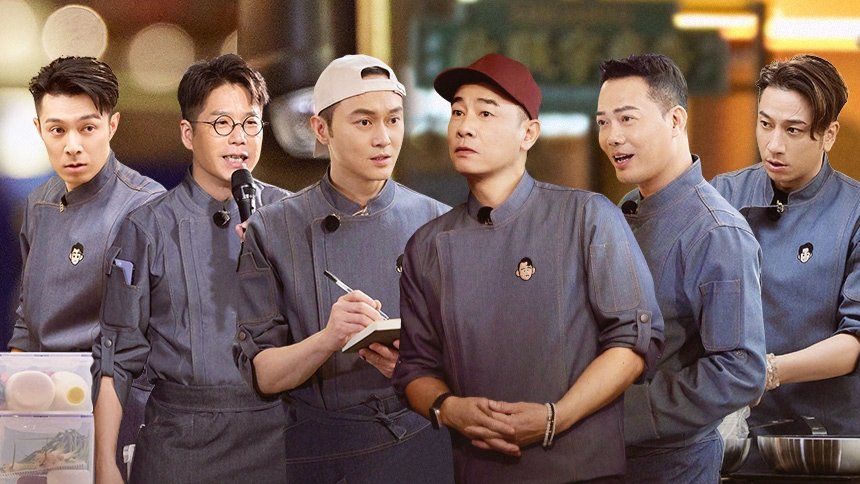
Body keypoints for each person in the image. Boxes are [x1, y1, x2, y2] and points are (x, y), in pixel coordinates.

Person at [391, 53, 665, 483]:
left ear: (528, 133)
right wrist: (450, 408)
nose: (464, 126)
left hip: (582, 473)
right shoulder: (427, 246)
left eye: (485, 112)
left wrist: (555, 417)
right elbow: (414, 367)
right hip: (478, 473)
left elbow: (633, 342)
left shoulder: (587, 217)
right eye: (458, 112)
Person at [233, 54, 453, 483]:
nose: (384, 138)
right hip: (320, 452)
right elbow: (263, 373)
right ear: (322, 129)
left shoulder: (439, 224)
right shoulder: (273, 229)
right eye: (364, 122)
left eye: (393, 120)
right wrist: (329, 337)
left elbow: (478, 359)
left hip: (420, 444)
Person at [92, 54, 289, 484]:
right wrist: (104, 461)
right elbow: (115, 357)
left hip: (279, 438)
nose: (239, 138)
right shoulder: (147, 227)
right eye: (222, 123)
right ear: (187, 133)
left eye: (251, 123)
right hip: (180, 442)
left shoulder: (290, 216)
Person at [596, 53, 766, 483]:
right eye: (603, 122)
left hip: (671, 465)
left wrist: (626, 410)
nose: (613, 136)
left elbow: (741, 369)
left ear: (675, 120)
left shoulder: (717, 231)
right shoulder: (626, 209)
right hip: (606, 456)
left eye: (627, 119)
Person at [13, 56, 165, 481]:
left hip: (116, 409)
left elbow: (138, 342)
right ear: (39, 129)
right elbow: (27, 320)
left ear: (112, 125)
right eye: (57, 130)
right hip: (43, 407)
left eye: (87, 128)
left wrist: (106, 455)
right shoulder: (38, 204)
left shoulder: (145, 207)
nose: (72, 145)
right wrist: (14, 400)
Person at [712, 54, 860, 437]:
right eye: (765, 124)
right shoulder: (720, 196)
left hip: (823, 440)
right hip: (728, 438)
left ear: (829, 134)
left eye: (793, 130)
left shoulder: (854, 213)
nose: (774, 145)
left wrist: (769, 371)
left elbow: (854, 341)